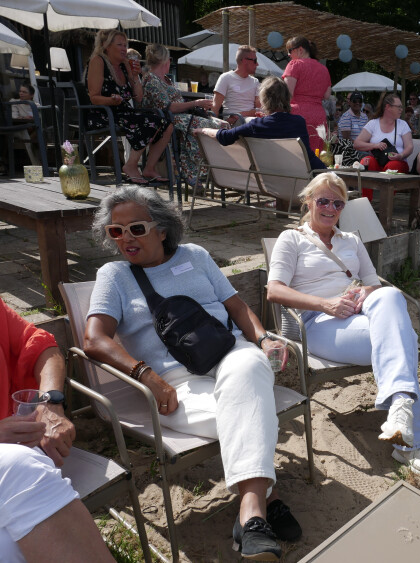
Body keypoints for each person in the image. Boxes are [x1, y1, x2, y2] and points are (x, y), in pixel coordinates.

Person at [83, 187, 300, 560]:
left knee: (251, 365)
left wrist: (264, 339)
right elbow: (93, 339)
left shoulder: (196, 256)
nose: (125, 239)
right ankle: (267, 497)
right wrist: (145, 375)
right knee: (249, 413)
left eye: (136, 228)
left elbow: (236, 307)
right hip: (172, 384)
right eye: (115, 231)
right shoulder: (114, 275)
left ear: (162, 229)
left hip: (230, 354)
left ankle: (251, 515)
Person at [267, 173, 420, 478]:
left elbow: (375, 285)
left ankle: (401, 409)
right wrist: (326, 304)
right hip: (317, 322)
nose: (330, 208)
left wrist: (364, 292)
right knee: (403, 338)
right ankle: (412, 442)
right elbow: (274, 291)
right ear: (308, 201)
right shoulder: (291, 239)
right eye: (323, 201)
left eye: (338, 204)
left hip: (359, 316)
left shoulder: (351, 240)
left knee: (390, 295)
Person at [0, 299, 114, 562]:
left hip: (23, 455)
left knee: (11, 545)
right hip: (18, 464)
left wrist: (50, 402)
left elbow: (41, 345)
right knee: (18, 466)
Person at [85, 29, 173, 185]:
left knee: (168, 125)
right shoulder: (98, 61)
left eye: (125, 45)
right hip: (103, 113)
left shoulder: (125, 65)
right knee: (151, 121)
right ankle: (131, 165)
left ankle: (149, 168)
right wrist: (111, 100)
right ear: (106, 46)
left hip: (123, 112)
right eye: (119, 45)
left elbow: (138, 97)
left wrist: (135, 76)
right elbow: (94, 97)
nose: (124, 49)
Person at [141, 44, 229, 192]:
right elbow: (168, 107)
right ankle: (200, 170)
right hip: (164, 119)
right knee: (200, 126)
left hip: (180, 117)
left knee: (223, 125)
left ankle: (215, 168)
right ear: (166, 61)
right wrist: (195, 103)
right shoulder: (151, 79)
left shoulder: (165, 79)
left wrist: (195, 106)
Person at [195, 76, 325, 170]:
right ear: (287, 98)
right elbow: (309, 157)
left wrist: (203, 130)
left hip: (272, 180)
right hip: (302, 178)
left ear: (264, 100)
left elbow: (225, 137)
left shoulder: (257, 125)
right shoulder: (299, 122)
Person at [282, 37, 331, 152]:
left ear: (300, 50)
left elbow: (287, 94)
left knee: (297, 153)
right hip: (319, 117)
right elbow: (327, 95)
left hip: (298, 114)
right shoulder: (324, 69)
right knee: (316, 153)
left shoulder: (294, 64)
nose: (288, 54)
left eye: (290, 50)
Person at [353, 92, 413, 173]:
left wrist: (400, 155)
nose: (401, 109)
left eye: (401, 107)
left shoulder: (403, 124)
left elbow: (409, 147)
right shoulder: (373, 124)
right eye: (398, 107)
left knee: (393, 166)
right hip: (377, 161)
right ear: (388, 107)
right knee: (367, 161)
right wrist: (375, 145)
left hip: (398, 162)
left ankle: (381, 180)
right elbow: (357, 144)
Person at [212, 45, 261, 124]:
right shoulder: (226, 77)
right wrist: (216, 126)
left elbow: (260, 109)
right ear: (245, 60)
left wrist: (240, 115)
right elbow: (215, 107)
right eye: (255, 60)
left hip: (249, 121)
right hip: (232, 123)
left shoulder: (255, 81)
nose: (257, 64)